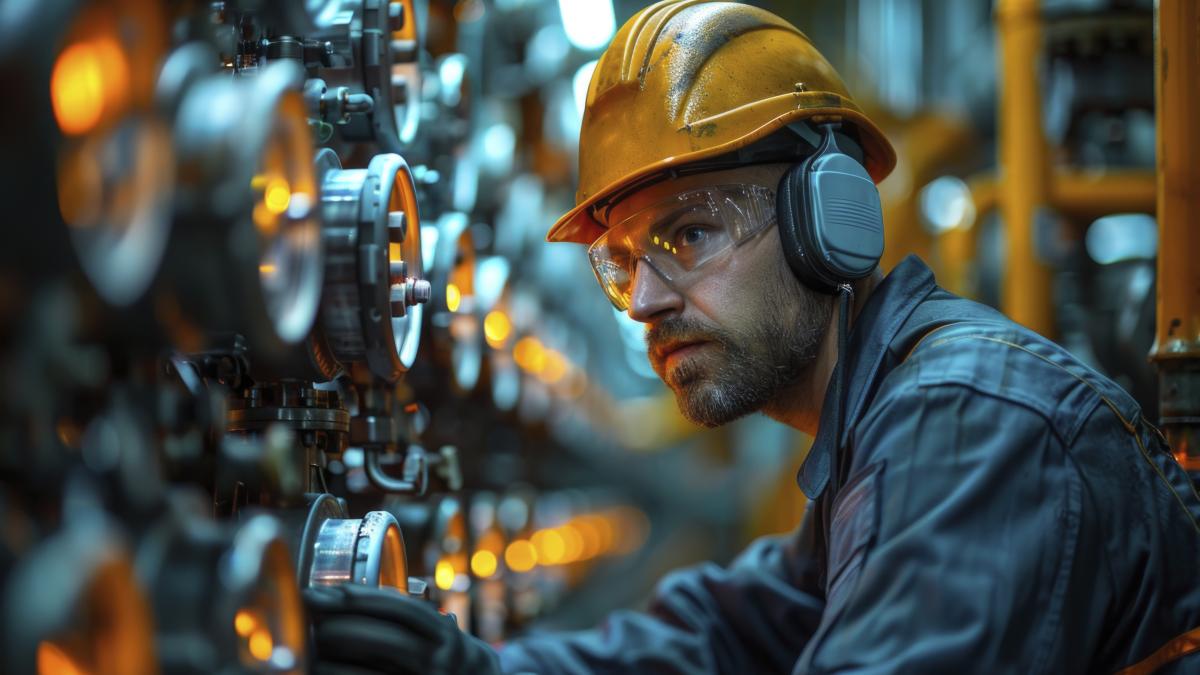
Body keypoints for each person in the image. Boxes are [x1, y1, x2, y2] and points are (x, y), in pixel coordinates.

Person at [304, 1, 1200, 673]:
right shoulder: (873, 437)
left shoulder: (964, 426)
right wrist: (480, 666)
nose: (645, 300)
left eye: (688, 234)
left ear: (831, 217)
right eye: (619, 264)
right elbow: (730, 628)